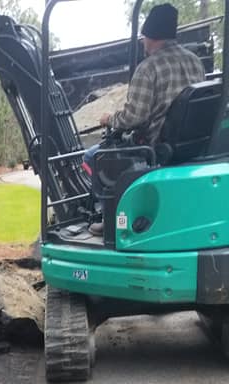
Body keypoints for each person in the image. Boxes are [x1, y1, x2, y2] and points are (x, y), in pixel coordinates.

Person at [84, 3, 204, 234]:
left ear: (151, 37)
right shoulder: (194, 61)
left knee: (94, 156)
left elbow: (134, 117)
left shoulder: (149, 68)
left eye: (143, 37)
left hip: (157, 143)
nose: (142, 42)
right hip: (194, 145)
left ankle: (110, 220)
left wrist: (110, 119)